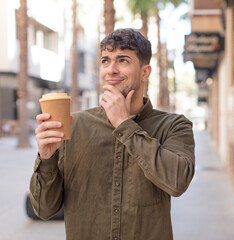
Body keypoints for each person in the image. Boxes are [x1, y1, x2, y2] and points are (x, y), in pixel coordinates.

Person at [30, 28, 195, 240]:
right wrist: (46, 158)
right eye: (105, 61)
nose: (111, 70)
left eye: (123, 60)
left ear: (145, 72)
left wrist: (124, 124)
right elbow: (44, 209)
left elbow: (177, 182)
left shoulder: (174, 126)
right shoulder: (76, 125)